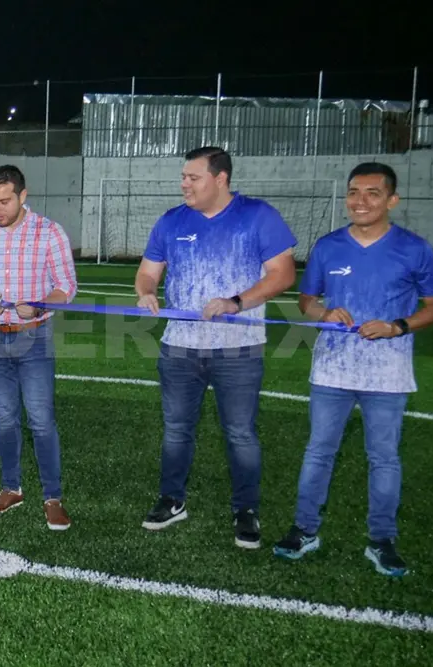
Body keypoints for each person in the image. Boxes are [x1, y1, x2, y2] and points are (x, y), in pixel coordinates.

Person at [272, 162, 433, 577]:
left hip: (387, 375)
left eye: (372, 193)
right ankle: (304, 530)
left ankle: (382, 540)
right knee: (318, 452)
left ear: (392, 200)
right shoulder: (329, 246)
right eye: (354, 192)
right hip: (332, 370)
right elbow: (306, 300)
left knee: (384, 458)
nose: (360, 201)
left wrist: (397, 327)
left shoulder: (414, 248)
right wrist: (324, 312)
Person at [135, 146, 297, 549]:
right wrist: (146, 293)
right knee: (176, 430)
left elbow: (284, 274)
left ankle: (246, 509)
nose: (184, 184)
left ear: (220, 179)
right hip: (179, 348)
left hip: (239, 348)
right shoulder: (171, 221)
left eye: (193, 177)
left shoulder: (259, 216)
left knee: (240, 433)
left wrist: (236, 302)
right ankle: (172, 499)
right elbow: (147, 273)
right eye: (183, 177)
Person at [0, 165, 77, 531]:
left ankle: (52, 497)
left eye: (5, 201)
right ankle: (11, 488)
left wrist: (41, 302)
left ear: (23, 196)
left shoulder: (50, 233)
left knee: (41, 420)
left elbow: (67, 287)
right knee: (5, 419)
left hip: (34, 338)